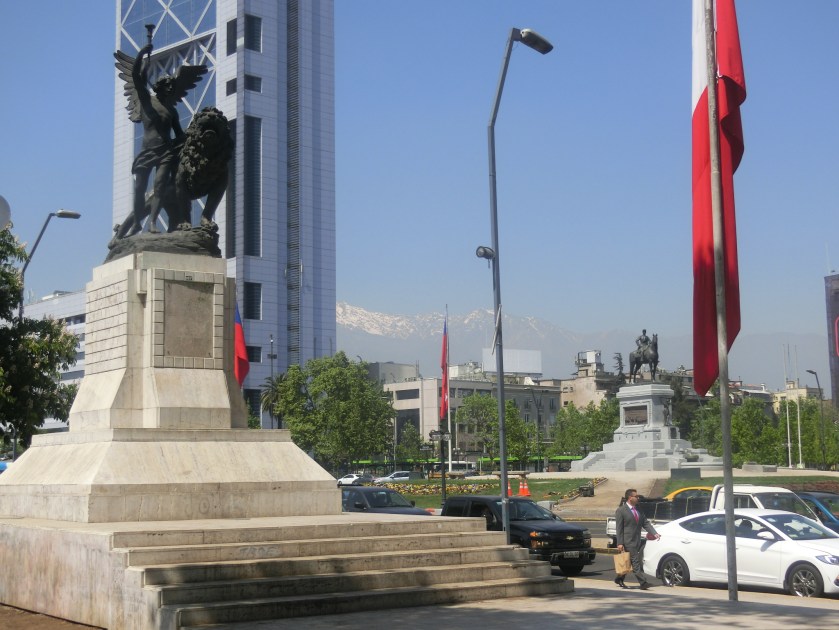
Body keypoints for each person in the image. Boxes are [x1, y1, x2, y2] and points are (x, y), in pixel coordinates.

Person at [615, 488, 660, 590]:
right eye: (636, 496)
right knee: (635, 561)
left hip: (637, 540)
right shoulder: (621, 511)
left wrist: (654, 533)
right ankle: (643, 583)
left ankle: (619, 578)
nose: (638, 498)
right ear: (630, 498)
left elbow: (645, 523)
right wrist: (620, 543)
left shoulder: (638, 510)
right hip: (627, 541)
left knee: (629, 561)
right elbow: (619, 528)